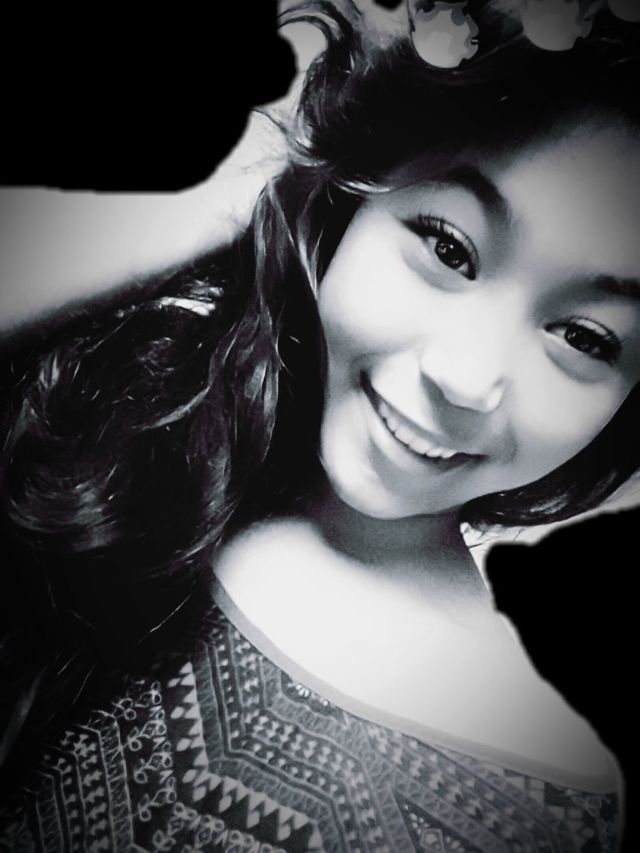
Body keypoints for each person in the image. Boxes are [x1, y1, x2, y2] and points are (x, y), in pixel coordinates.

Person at [0, 1, 638, 849]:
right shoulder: (119, 412)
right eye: (448, 247)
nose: (466, 377)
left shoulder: (541, 809)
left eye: (586, 338)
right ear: (352, 190)